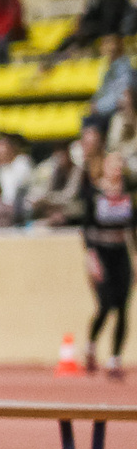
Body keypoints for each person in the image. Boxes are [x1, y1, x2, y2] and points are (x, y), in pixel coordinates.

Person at [79, 150, 135, 378]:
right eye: (113, 163)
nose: (117, 168)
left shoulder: (129, 193)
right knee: (105, 305)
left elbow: (133, 229)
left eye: (120, 163)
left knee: (123, 307)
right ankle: (91, 345)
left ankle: (115, 358)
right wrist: (92, 258)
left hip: (121, 252)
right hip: (101, 254)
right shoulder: (95, 193)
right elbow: (87, 230)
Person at [0, 132, 37, 220]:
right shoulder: (2, 168)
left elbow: (16, 193)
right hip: (7, 208)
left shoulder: (22, 162)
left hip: (21, 208)